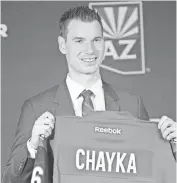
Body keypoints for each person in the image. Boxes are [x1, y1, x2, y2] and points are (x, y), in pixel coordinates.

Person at [2, 5, 176, 183]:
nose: (90, 50)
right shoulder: (36, 108)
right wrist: (32, 146)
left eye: (96, 40)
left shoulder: (133, 105)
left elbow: (151, 172)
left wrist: (174, 148)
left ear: (104, 43)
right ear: (63, 45)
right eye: (79, 41)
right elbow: (10, 180)